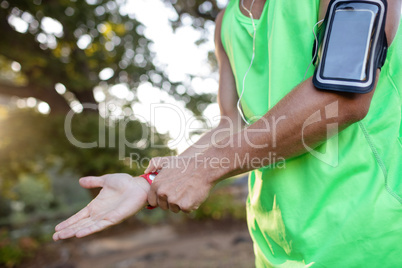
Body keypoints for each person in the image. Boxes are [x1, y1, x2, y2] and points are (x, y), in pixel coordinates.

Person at [54, 0, 402, 266]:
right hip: (275, 242)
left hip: (371, 236)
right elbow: (231, 125)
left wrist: (205, 169)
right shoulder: (225, 23)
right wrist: (148, 180)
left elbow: (341, 97)